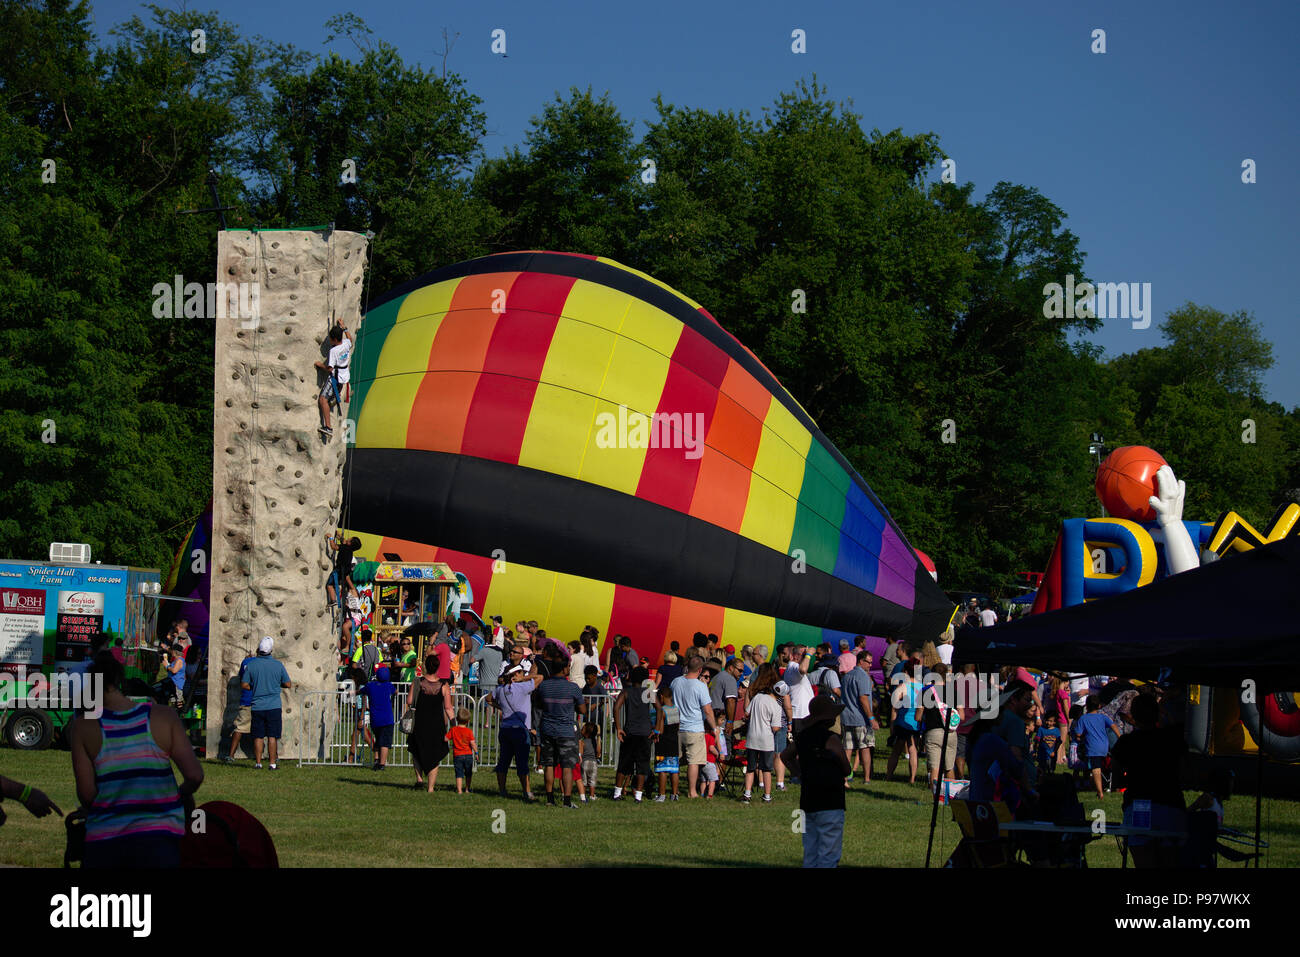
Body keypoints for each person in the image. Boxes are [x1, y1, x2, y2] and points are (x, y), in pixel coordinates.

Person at [69, 650, 202, 867]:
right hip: (160, 840)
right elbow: (195, 776)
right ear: (120, 680)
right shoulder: (163, 716)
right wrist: (175, 796)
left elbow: (86, 795)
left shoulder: (83, 727)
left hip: (105, 842)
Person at [781, 696, 850, 867]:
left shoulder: (803, 737)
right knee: (828, 854)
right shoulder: (831, 739)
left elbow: (785, 756)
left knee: (810, 851)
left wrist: (800, 773)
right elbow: (846, 769)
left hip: (808, 799)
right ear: (828, 717)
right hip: (831, 800)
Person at [538, 659, 588, 808]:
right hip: (566, 731)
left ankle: (549, 799)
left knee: (549, 765)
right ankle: (566, 800)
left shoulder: (543, 686)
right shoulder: (573, 688)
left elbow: (539, 704)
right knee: (567, 766)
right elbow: (583, 710)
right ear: (565, 669)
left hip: (547, 728)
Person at [493, 657, 541, 801]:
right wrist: (525, 678)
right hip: (520, 730)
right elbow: (540, 677)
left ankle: (502, 790)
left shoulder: (500, 690)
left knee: (503, 761)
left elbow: (489, 699)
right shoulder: (522, 687)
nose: (522, 674)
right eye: (520, 672)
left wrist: (500, 707)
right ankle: (526, 792)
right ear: (515, 675)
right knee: (522, 763)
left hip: (505, 728)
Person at [670, 657, 717, 798]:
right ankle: (692, 791)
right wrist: (714, 727)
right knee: (694, 762)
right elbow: (708, 710)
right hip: (695, 728)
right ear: (700, 670)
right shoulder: (700, 686)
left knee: (676, 761)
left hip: (677, 725)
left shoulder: (676, 682)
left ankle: (675, 789)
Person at [241, 636, 291, 770]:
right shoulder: (278, 665)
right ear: (271, 650)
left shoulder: (251, 665)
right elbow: (288, 683)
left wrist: (254, 687)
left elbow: (244, 684)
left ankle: (258, 763)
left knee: (258, 736)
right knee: (272, 736)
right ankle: (272, 763)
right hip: (274, 705)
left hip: (257, 705)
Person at [409, 653, 455, 793]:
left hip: (420, 721)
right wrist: (454, 725)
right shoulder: (444, 685)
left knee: (416, 750)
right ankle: (430, 788)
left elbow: (410, 701)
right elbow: (448, 707)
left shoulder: (417, 682)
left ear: (425, 666)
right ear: (437, 667)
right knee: (434, 755)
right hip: (436, 723)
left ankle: (419, 778)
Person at [742, 664, 783, 804]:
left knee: (751, 768)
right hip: (766, 740)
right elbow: (776, 727)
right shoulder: (776, 705)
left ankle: (747, 794)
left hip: (752, 737)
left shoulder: (757, 698)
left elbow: (747, 713)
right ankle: (767, 795)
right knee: (766, 769)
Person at [613, 667, 654, 802]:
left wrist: (619, 727)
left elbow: (616, 707)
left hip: (629, 731)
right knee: (642, 766)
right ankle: (638, 795)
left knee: (624, 764)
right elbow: (659, 709)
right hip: (645, 732)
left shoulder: (626, 691)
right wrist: (657, 729)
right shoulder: (648, 693)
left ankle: (617, 793)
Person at [841, 650, 877, 785]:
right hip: (860, 718)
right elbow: (863, 698)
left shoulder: (847, 676)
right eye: (868, 662)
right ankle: (867, 778)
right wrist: (871, 718)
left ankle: (844, 778)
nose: (871, 665)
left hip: (846, 716)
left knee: (847, 749)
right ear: (861, 661)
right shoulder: (862, 676)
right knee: (865, 748)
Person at [921, 663, 960, 787]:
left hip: (933, 732)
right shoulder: (953, 692)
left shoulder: (925, 692)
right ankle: (951, 798)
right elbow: (962, 715)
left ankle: (937, 800)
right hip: (951, 733)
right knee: (949, 768)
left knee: (935, 769)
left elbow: (918, 716)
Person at [315, 320, 353, 438]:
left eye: (331, 339)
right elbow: (350, 339)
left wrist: (320, 365)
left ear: (335, 340)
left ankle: (328, 428)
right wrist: (344, 327)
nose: (330, 340)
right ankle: (333, 398)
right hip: (344, 375)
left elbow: (329, 369)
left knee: (322, 400)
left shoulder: (334, 351)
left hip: (335, 378)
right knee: (332, 391)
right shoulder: (346, 343)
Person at [1075, 694, 1117, 800]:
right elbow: (1113, 726)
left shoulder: (1083, 719)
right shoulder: (1103, 717)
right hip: (1105, 746)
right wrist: (1120, 736)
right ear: (1099, 706)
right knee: (1104, 767)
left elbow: (1078, 734)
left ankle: (1099, 792)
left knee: (1096, 769)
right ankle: (1104, 785)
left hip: (1093, 747)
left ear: (1087, 706)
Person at [886, 661, 922, 782]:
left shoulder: (902, 687)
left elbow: (894, 707)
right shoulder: (922, 687)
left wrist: (892, 725)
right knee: (913, 750)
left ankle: (889, 776)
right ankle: (912, 778)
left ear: (905, 672)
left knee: (896, 750)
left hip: (902, 722)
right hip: (916, 723)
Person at [653, 686, 681, 801]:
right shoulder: (676, 709)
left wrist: (655, 732)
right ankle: (674, 794)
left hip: (663, 743)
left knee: (662, 769)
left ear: (661, 697)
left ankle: (662, 794)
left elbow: (660, 730)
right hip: (674, 742)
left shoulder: (662, 711)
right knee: (674, 769)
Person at [449, 707, 477, 793]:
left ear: (457, 719)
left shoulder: (453, 730)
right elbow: (472, 743)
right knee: (468, 773)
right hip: (468, 755)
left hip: (457, 755)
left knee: (459, 773)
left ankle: (459, 790)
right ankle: (467, 789)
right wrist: (476, 752)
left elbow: (446, 738)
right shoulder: (469, 731)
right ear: (468, 721)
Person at [577, 722, 601, 802]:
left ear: (586, 732)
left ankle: (583, 794)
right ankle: (592, 795)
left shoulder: (582, 741)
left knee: (583, 780)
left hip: (584, 762)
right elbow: (598, 752)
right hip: (593, 763)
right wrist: (598, 738)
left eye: (583, 728)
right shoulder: (594, 741)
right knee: (592, 780)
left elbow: (581, 752)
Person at [1035, 711, 1062, 779]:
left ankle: (1050, 781)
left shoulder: (1056, 730)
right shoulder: (1041, 729)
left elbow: (1059, 742)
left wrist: (1054, 751)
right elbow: (1037, 740)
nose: (1048, 723)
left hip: (1052, 755)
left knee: (1051, 770)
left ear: (1054, 722)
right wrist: (1035, 750)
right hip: (1042, 754)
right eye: (1047, 720)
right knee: (1042, 770)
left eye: (1050, 721)